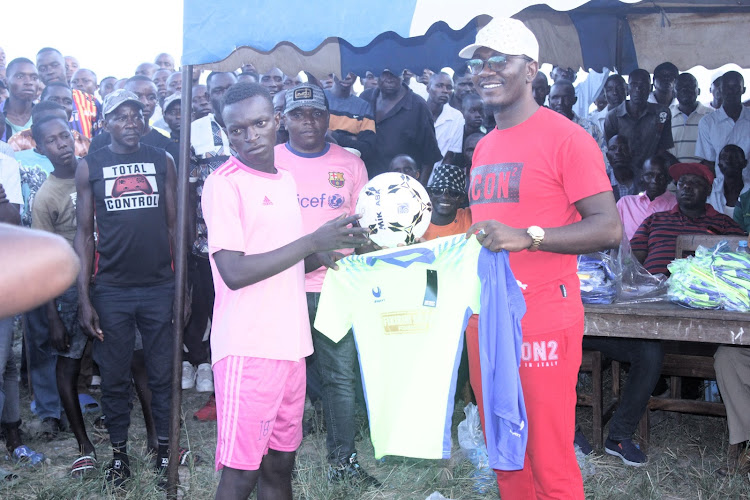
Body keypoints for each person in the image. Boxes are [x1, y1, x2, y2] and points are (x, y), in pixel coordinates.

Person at [459, 17, 621, 499]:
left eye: (499, 61)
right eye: (479, 62)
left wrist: (528, 238)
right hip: (485, 316)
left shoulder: (566, 138)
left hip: (542, 314)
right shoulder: (485, 145)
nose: (485, 70)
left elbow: (608, 227)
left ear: (530, 69)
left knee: (548, 455)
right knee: (504, 449)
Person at [201, 81, 369, 500]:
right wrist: (311, 244)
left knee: (280, 466)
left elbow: (287, 262)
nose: (249, 135)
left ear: (275, 121)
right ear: (226, 132)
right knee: (241, 474)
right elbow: (234, 271)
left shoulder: (285, 180)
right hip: (248, 348)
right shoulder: (224, 184)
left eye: (258, 123)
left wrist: (323, 252)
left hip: (291, 348)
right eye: (236, 129)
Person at [74, 89, 180, 486]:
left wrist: (181, 290)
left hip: (159, 285)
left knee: (162, 375)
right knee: (115, 377)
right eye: (121, 117)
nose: (131, 122)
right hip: (112, 289)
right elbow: (84, 236)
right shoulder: (91, 166)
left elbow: (174, 226)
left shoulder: (162, 160)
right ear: (106, 125)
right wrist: (85, 297)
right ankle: (119, 454)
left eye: (136, 115)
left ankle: (166, 449)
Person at [274, 83, 378, 485]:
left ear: (327, 117)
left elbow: (362, 225)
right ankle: (279, 462)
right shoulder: (270, 161)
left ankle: (343, 462)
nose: (308, 122)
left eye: (316, 113)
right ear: (284, 121)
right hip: (282, 288)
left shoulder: (350, 163)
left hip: (336, 287)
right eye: (298, 115)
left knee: (340, 377)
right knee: (285, 377)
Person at [29, 114, 98, 476]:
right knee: (68, 363)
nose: (61, 145)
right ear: (40, 149)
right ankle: (82, 443)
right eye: (51, 141)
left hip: (107, 278)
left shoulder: (95, 170)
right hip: (71, 289)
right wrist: (53, 317)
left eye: (64, 137)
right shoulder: (46, 197)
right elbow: (42, 261)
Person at [182, 71, 237, 404]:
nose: (224, 94)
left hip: (251, 243)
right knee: (213, 311)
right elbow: (187, 193)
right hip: (207, 243)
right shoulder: (196, 132)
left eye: (229, 87)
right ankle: (211, 369)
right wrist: (188, 242)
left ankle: (234, 376)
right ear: (208, 96)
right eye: (217, 90)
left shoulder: (256, 127)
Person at [631, 162, 746, 277]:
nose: (686, 186)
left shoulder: (725, 223)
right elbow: (632, 261)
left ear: (708, 190)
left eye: (695, 183)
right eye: (682, 183)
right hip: (651, 290)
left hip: (702, 291)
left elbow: (741, 262)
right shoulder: (654, 220)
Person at [361, 68, 442, 180]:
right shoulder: (365, 99)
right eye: (385, 73)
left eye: (394, 72)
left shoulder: (418, 106)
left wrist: (418, 191)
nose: (389, 79)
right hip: (366, 185)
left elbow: (429, 158)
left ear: (403, 73)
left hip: (402, 189)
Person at [604, 69, 673, 188]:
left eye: (643, 85)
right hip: (623, 178)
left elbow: (662, 149)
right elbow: (612, 153)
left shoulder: (662, 113)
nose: (638, 90)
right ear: (628, 88)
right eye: (634, 85)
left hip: (651, 178)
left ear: (650, 88)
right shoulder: (613, 116)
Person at [89, 76, 172, 152]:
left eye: (151, 97)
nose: (145, 102)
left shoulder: (165, 145)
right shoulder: (100, 142)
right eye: (137, 96)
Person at [695, 71, 750, 184]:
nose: (731, 91)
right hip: (720, 191)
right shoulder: (707, 122)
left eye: (735, 87)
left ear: (743, 90)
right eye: (727, 87)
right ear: (720, 90)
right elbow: (709, 163)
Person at [8, 84, 91, 157]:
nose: (61, 105)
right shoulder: (19, 141)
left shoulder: (83, 142)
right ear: (40, 102)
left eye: (67, 101)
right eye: (54, 100)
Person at [36, 48, 99, 139]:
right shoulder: (36, 106)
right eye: (42, 68)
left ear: (65, 68)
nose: (50, 71)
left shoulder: (90, 101)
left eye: (54, 65)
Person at [549, 79, 608, 175]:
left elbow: (602, 164)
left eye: (566, 97)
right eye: (555, 98)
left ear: (574, 100)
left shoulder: (590, 129)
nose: (560, 102)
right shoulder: (538, 129)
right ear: (549, 100)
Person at [616, 153, 678, 240]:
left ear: (668, 179)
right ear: (642, 177)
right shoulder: (625, 204)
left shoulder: (676, 206)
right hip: (629, 253)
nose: (654, 181)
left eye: (660, 176)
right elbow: (611, 236)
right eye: (649, 175)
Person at [324, 72, 377, 168]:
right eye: (342, 71)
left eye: (351, 72)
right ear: (332, 70)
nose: (347, 76)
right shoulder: (320, 98)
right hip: (319, 164)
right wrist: (350, 139)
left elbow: (366, 149)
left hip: (348, 168)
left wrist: (332, 135)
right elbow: (313, 138)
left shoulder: (363, 106)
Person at [426, 72, 465, 184]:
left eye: (449, 87)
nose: (445, 90)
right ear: (428, 88)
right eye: (439, 86)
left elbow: (449, 156)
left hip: (436, 180)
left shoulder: (456, 117)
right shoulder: (416, 110)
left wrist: (437, 184)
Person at [670, 73, 713, 163]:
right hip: (673, 174)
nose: (685, 90)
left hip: (704, 174)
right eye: (680, 87)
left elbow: (716, 147)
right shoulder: (666, 115)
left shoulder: (712, 116)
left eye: (690, 86)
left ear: (698, 91)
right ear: (674, 93)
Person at [422, 164, 472, 240]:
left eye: (453, 193)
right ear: (430, 194)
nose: (445, 197)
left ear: (462, 198)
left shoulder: (471, 218)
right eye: (438, 191)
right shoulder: (416, 223)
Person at [1, 58, 37, 142]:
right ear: (6, 82)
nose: (29, 82)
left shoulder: (45, 114)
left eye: (34, 77)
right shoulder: (1, 115)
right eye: (20, 76)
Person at [707, 144, 748, 217]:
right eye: (725, 157)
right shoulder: (710, 188)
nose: (729, 161)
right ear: (719, 165)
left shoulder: (748, 189)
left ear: (744, 163)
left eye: (735, 157)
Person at [607, 135, 638, 201]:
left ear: (631, 152)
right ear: (607, 155)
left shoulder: (643, 179)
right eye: (613, 148)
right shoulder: (603, 183)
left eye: (623, 148)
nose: (618, 151)